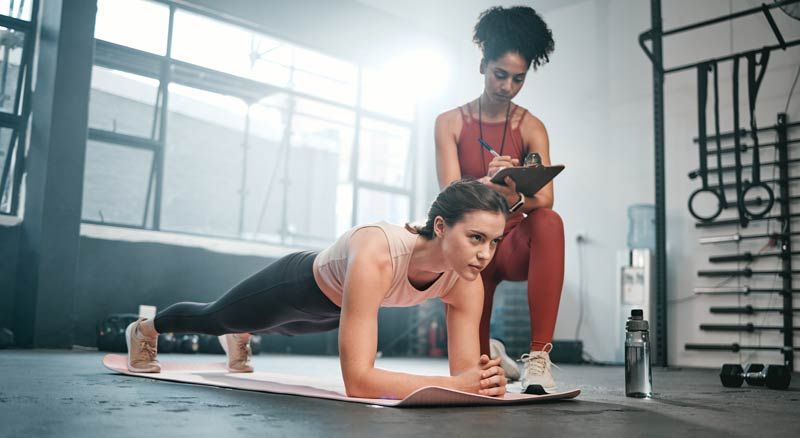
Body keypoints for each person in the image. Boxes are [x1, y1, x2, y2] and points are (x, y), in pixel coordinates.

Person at [125, 179, 510, 399]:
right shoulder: (380, 251)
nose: (485, 254)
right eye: (476, 237)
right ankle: (145, 329)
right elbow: (358, 383)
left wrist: (482, 382)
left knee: (276, 327)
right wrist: (452, 384)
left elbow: (465, 380)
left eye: (494, 241)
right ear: (440, 227)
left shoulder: (465, 282)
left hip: (335, 311)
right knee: (215, 317)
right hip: (296, 286)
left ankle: (242, 333)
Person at [434, 6, 564, 393]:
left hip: (512, 242)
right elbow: (449, 196)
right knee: (476, 372)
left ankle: (539, 360)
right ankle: (490, 353)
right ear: (482, 66)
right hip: (474, 244)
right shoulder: (449, 123)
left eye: (518, 79)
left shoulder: (531, 126)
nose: (507, 86)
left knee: (549, 223)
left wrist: (513, 197)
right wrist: (487, 186)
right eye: (500, 74)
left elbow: (547, 198)